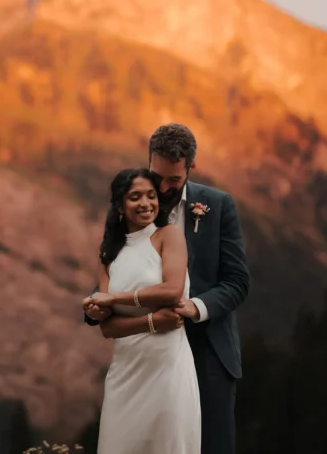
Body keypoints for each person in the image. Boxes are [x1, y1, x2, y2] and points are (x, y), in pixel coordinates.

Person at [84, 123, 251, 454]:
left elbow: (237, 281)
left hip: (208, 351)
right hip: (145, 355)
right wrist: (95, 308)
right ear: (149, 160)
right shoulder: (131, 203)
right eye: (156, 175)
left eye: (173, 180)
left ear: (191, 168)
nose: (161, 188)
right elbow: (115, 270)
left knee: (209, 445)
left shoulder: (217, 206)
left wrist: (196, 307)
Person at [83, 167, 200, 454]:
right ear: (120, 205)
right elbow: (108, 328)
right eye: (135, 197)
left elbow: (172, 289)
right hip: (126, 370)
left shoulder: (168, 236)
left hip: (167, 366)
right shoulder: (108, 254)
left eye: (150, 195)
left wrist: (116, 299)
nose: (145, 203)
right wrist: (152, 320)